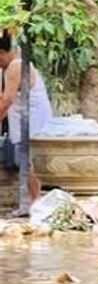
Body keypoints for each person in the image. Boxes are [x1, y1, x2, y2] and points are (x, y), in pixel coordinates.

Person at [0, 33, 49, 202]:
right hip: (27, 122)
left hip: (33, 122)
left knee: (31, 164)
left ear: (2, 53)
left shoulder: (15, 66)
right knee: (27, 164)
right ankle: (32, 203)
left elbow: (6, 101)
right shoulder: (15, 64)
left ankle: (36, 204)